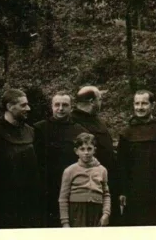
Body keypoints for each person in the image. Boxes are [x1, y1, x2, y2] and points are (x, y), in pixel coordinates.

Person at [0, 88, 41, 229]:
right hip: (5, 205)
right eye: (23, 105)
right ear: (9, 107)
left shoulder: (31, 132)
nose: (28, 108)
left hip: (29, 203)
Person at [118, 90, 156, 226]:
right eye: (137, 103)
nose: (140, 107)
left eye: (144, 103)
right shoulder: (126, 133)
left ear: (152, 105)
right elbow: (122, 165)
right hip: (135, 193)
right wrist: (122, 191)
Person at [33, 92, 88, 227]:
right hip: (46, 186)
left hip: (72, 186)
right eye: (57, 105)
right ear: (51, 107)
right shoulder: (38, 128)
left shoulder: (79, 131)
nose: (60, 108)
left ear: (71, 107)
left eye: (65, 105)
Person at [69, 86, 120, 224]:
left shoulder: (97, 120)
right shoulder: (73, 122)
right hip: (89, 189)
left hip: (106, 182)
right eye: (100, 99)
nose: (101, 102)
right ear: (92, 101)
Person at [58, 133, 111, 228]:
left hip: (96, 211)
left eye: (89, 149)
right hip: (76, 212)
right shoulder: (70, 171)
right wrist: (65, 222)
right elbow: (63, 198)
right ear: (76, 151)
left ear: (94, 150)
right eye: (82, 149)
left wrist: (106, 213)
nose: (86, 152)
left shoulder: (102, 170)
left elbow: (106, 194)